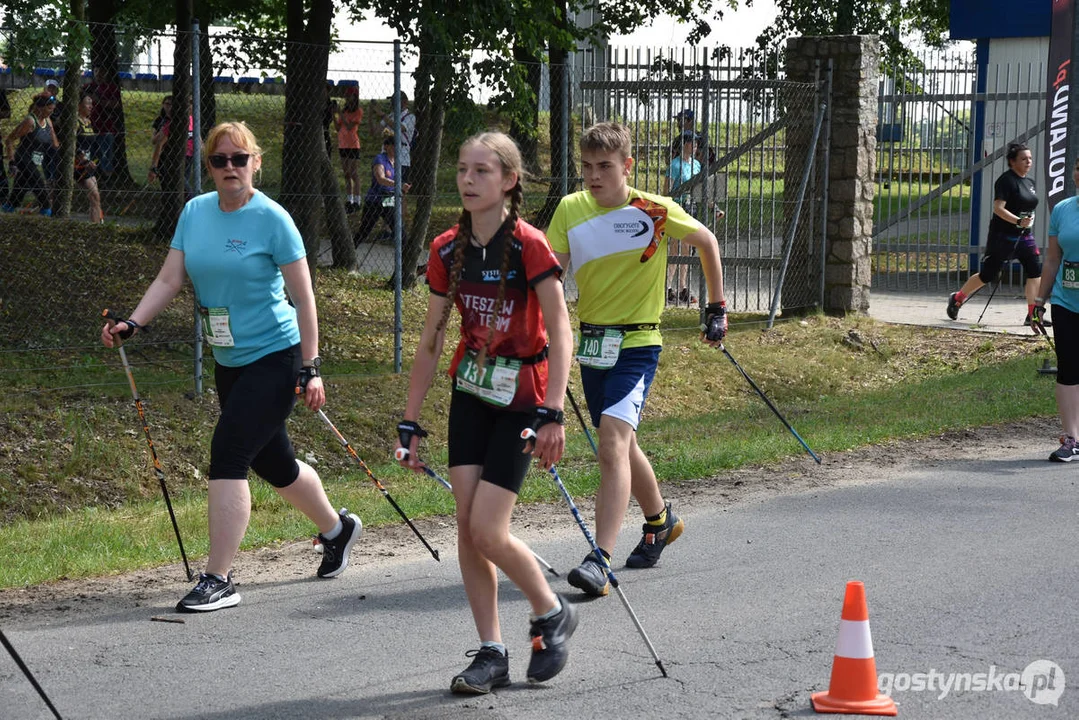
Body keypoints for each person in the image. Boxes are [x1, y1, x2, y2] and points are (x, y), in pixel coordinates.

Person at [100, 121, 362, 612]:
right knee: (273, 462)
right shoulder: (195, 213)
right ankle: (338, 529)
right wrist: (133, 323)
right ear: (209, 167)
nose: (229, 168)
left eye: (239, 159)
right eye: (219, 161)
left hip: (277, 356)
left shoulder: (273, 219)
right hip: (230, 358)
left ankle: (218, 577)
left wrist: (312, 366)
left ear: (255, 163)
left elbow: (304, 300)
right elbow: (169, 278)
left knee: (229, 451)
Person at [396, 131, 578, 693]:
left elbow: (561, 328)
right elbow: (430, 339)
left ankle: (551, 612)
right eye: (462, 169)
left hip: (523, 398)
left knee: (487, 529)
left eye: (481, 171)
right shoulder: (447, 248)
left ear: (508, 181)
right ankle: (492, 651)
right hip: (470, 395)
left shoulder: (530, 246)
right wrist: (410, 418)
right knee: (467, 529)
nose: (468, 180)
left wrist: (553, 412)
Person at [546, 121, 727, 596]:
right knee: (621, 443)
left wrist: (716, 309)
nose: (593, 176)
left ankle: (599, 560)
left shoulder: (654, 210)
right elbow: (550, 276)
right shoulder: (569, 210)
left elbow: (707, 242)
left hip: (638, 345)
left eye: (604, 166)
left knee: (610, 444)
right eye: (586, 167)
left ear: (627, 167)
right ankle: (661, 521)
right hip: (591, 345)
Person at [947, 142, 1044, 326]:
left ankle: (1033, 315)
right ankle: (958, 298)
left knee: (1035, 271)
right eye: (1023, 159)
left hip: (1025, 236)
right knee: (988, 275)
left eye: (1030, 158)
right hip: (1002, 236)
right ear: (1012, 161)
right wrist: (1017, 220)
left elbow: (1029, 206)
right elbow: (998, 209)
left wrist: (1027, 220)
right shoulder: (1006, 181)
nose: (1028, 162)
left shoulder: (1029, 182)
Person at [1033, 157, 1079, 462]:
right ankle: (1072, 438)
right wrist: (1039, 301)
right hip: (1066, 301)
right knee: (1068, 368)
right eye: (1078, 168)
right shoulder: (1063, 210)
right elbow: (1052, 259)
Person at [2, 94, 59, 216]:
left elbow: (55, 143)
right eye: (49, 108)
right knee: (41, 189)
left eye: (53, 108)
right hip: (24, 158)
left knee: (18, 191)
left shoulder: (48, 121)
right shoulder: (30, 121)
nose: (52, 111)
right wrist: (12, 162)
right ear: (39, 107)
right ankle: (48, 215)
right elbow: (10, 140)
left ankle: (7, 209)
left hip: (37, 159)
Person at [664, 130, 702, 304]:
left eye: (696, 143)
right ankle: (667, 287)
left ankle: (682, 288)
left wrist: (714, 207)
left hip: (691, 207)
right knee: (675, 247)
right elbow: (667, 191)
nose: (695, 146)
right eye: (691, 142)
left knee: (687, 248)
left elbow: (700, 191)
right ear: (684, 144)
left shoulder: (697, 165)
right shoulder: (675, 165)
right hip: (678, 207)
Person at [353, 135, 409, 249]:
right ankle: (348, 251)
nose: (397, 149)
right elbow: (380, 178)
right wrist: (398, 184)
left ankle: (408, 260)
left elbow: (396, 184)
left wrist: (402, 189)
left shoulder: (396, 162)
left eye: (400, 147)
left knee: (399, 229)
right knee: (365, 230)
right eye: (394, 146)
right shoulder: (380, 159)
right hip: (375, 201)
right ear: (386, 146)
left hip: (388, 199)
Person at [75, 92, 103, 223]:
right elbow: (72, 144)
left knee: (95, 196)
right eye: (88, 103)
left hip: (87, 164)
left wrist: (94, 159)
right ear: (79, 105)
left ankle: (95, 225)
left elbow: (91, 145)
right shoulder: (75, 122)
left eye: (92, 103)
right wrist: (84, 160)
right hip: (76, 164)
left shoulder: (88, 122)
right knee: (54, 195)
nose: (91, 106)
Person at [335, 88, 363, 213]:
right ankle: (349, 200)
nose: (347, 98)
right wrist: (334, 115)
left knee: (353, 173)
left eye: (350, 96)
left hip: (353, 145)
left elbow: (350, 126)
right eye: (346, 96)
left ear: (355, 97)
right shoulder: (344, 111)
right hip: (343, 144)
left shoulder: (358, 111)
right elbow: (338, 127)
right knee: (346, 173)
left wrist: (340, 114)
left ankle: (357, 200)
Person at [380, 92, 415, 183]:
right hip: (386, 157)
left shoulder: (410, 117)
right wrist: (371, 114)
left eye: (395, 101)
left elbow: (399, 128)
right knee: (386, 188)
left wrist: (382, 115)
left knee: (401, 190)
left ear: (404, 102)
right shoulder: (390, 116)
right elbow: (375, 131)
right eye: (392, 101)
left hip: (401, 159)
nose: (392, 103)